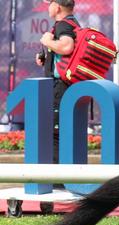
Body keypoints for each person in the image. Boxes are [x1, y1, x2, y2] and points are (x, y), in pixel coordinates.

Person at [35, 0, 80, 164]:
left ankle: (58, 177)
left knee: (55, 132)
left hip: (60, 87)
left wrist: (47, 41)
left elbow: (67, 47)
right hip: (66, 85)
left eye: (50, 3)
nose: (48, 7)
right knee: (63, 129)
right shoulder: (72, 23)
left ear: (57, 7)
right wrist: (46, 58)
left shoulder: (63, 25)